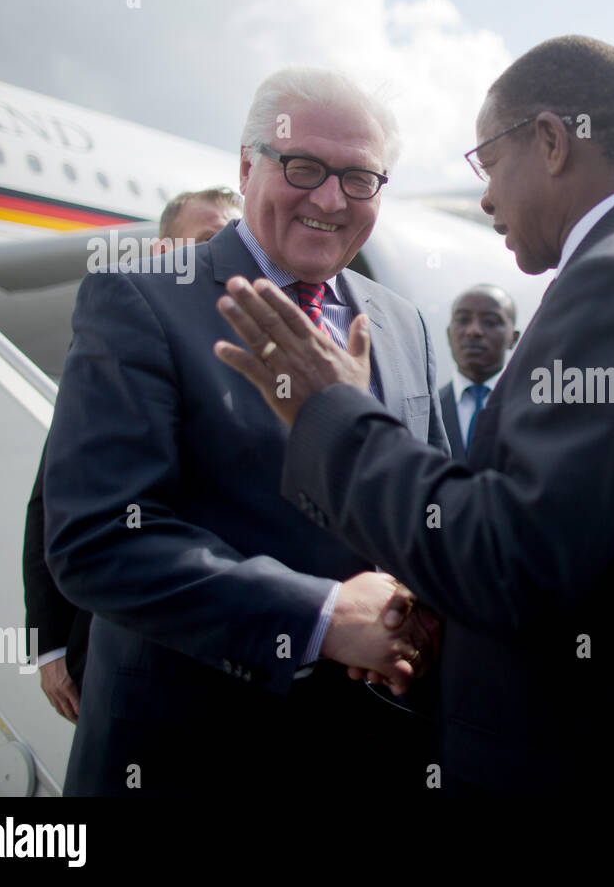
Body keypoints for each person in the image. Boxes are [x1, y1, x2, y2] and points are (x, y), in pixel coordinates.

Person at [215, 36, 614, 795]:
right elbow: (577, 540)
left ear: (552, 142)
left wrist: (335, 415)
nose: (486, 199)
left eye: (489, 165)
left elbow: (514, 561)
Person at [43, 68, 446, 796]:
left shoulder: (402, 322)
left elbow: (431, 502)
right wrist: (321, 617)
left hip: (373, 751)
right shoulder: (139, 301)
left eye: (359, 178)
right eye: (304, 167)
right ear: (246, 166)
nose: (331, 199)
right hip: (192, 757)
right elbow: (97, 538)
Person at [24, 185, 243, 724]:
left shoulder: (263, 350)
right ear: (163, 252)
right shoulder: (124, 336)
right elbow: (52, 498)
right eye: (208, 238)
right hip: (120, 652)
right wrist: (48, 645)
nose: (225, 254)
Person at [439, 284, 519, 459]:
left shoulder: (532, 405)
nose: (473, 331)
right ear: (448, 334)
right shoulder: (427, 409)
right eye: (463, 320)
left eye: (490, 321)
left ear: (513, 338)